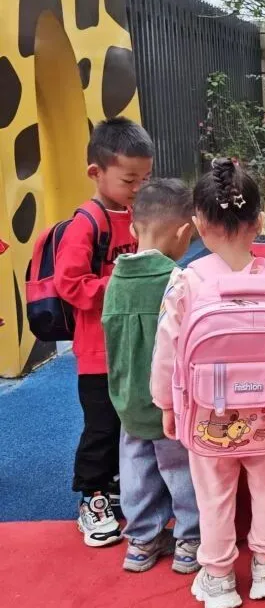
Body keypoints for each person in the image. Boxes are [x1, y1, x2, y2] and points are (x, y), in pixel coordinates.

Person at [151, 160, 265, 608]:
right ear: (260, 222)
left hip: (208, 413)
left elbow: (167, 351)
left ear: (198, 224)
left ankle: (220, 576)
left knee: (213, 496)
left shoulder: (187, 282)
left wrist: (166, 404)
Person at [54, 117, 153, 547]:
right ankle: (92, 497)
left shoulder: (134, 216)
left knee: (131, 422)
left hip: (132, 345)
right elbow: (70, 284)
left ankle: (117, 486)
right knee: (101, 426)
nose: (138, 188)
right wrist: (121, 284)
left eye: (144, 179)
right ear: (96, 172)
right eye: (130, 180)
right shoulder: (86, 223)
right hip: (97, 351)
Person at [101, 178, 200, 573]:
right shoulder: (179, 281)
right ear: (184, 232)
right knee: (182, 470)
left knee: (136, 470)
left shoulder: (115, 281)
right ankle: (190, 539)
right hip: (169, 402)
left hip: (126, 397)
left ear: (132, 228)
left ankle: (142, 541)